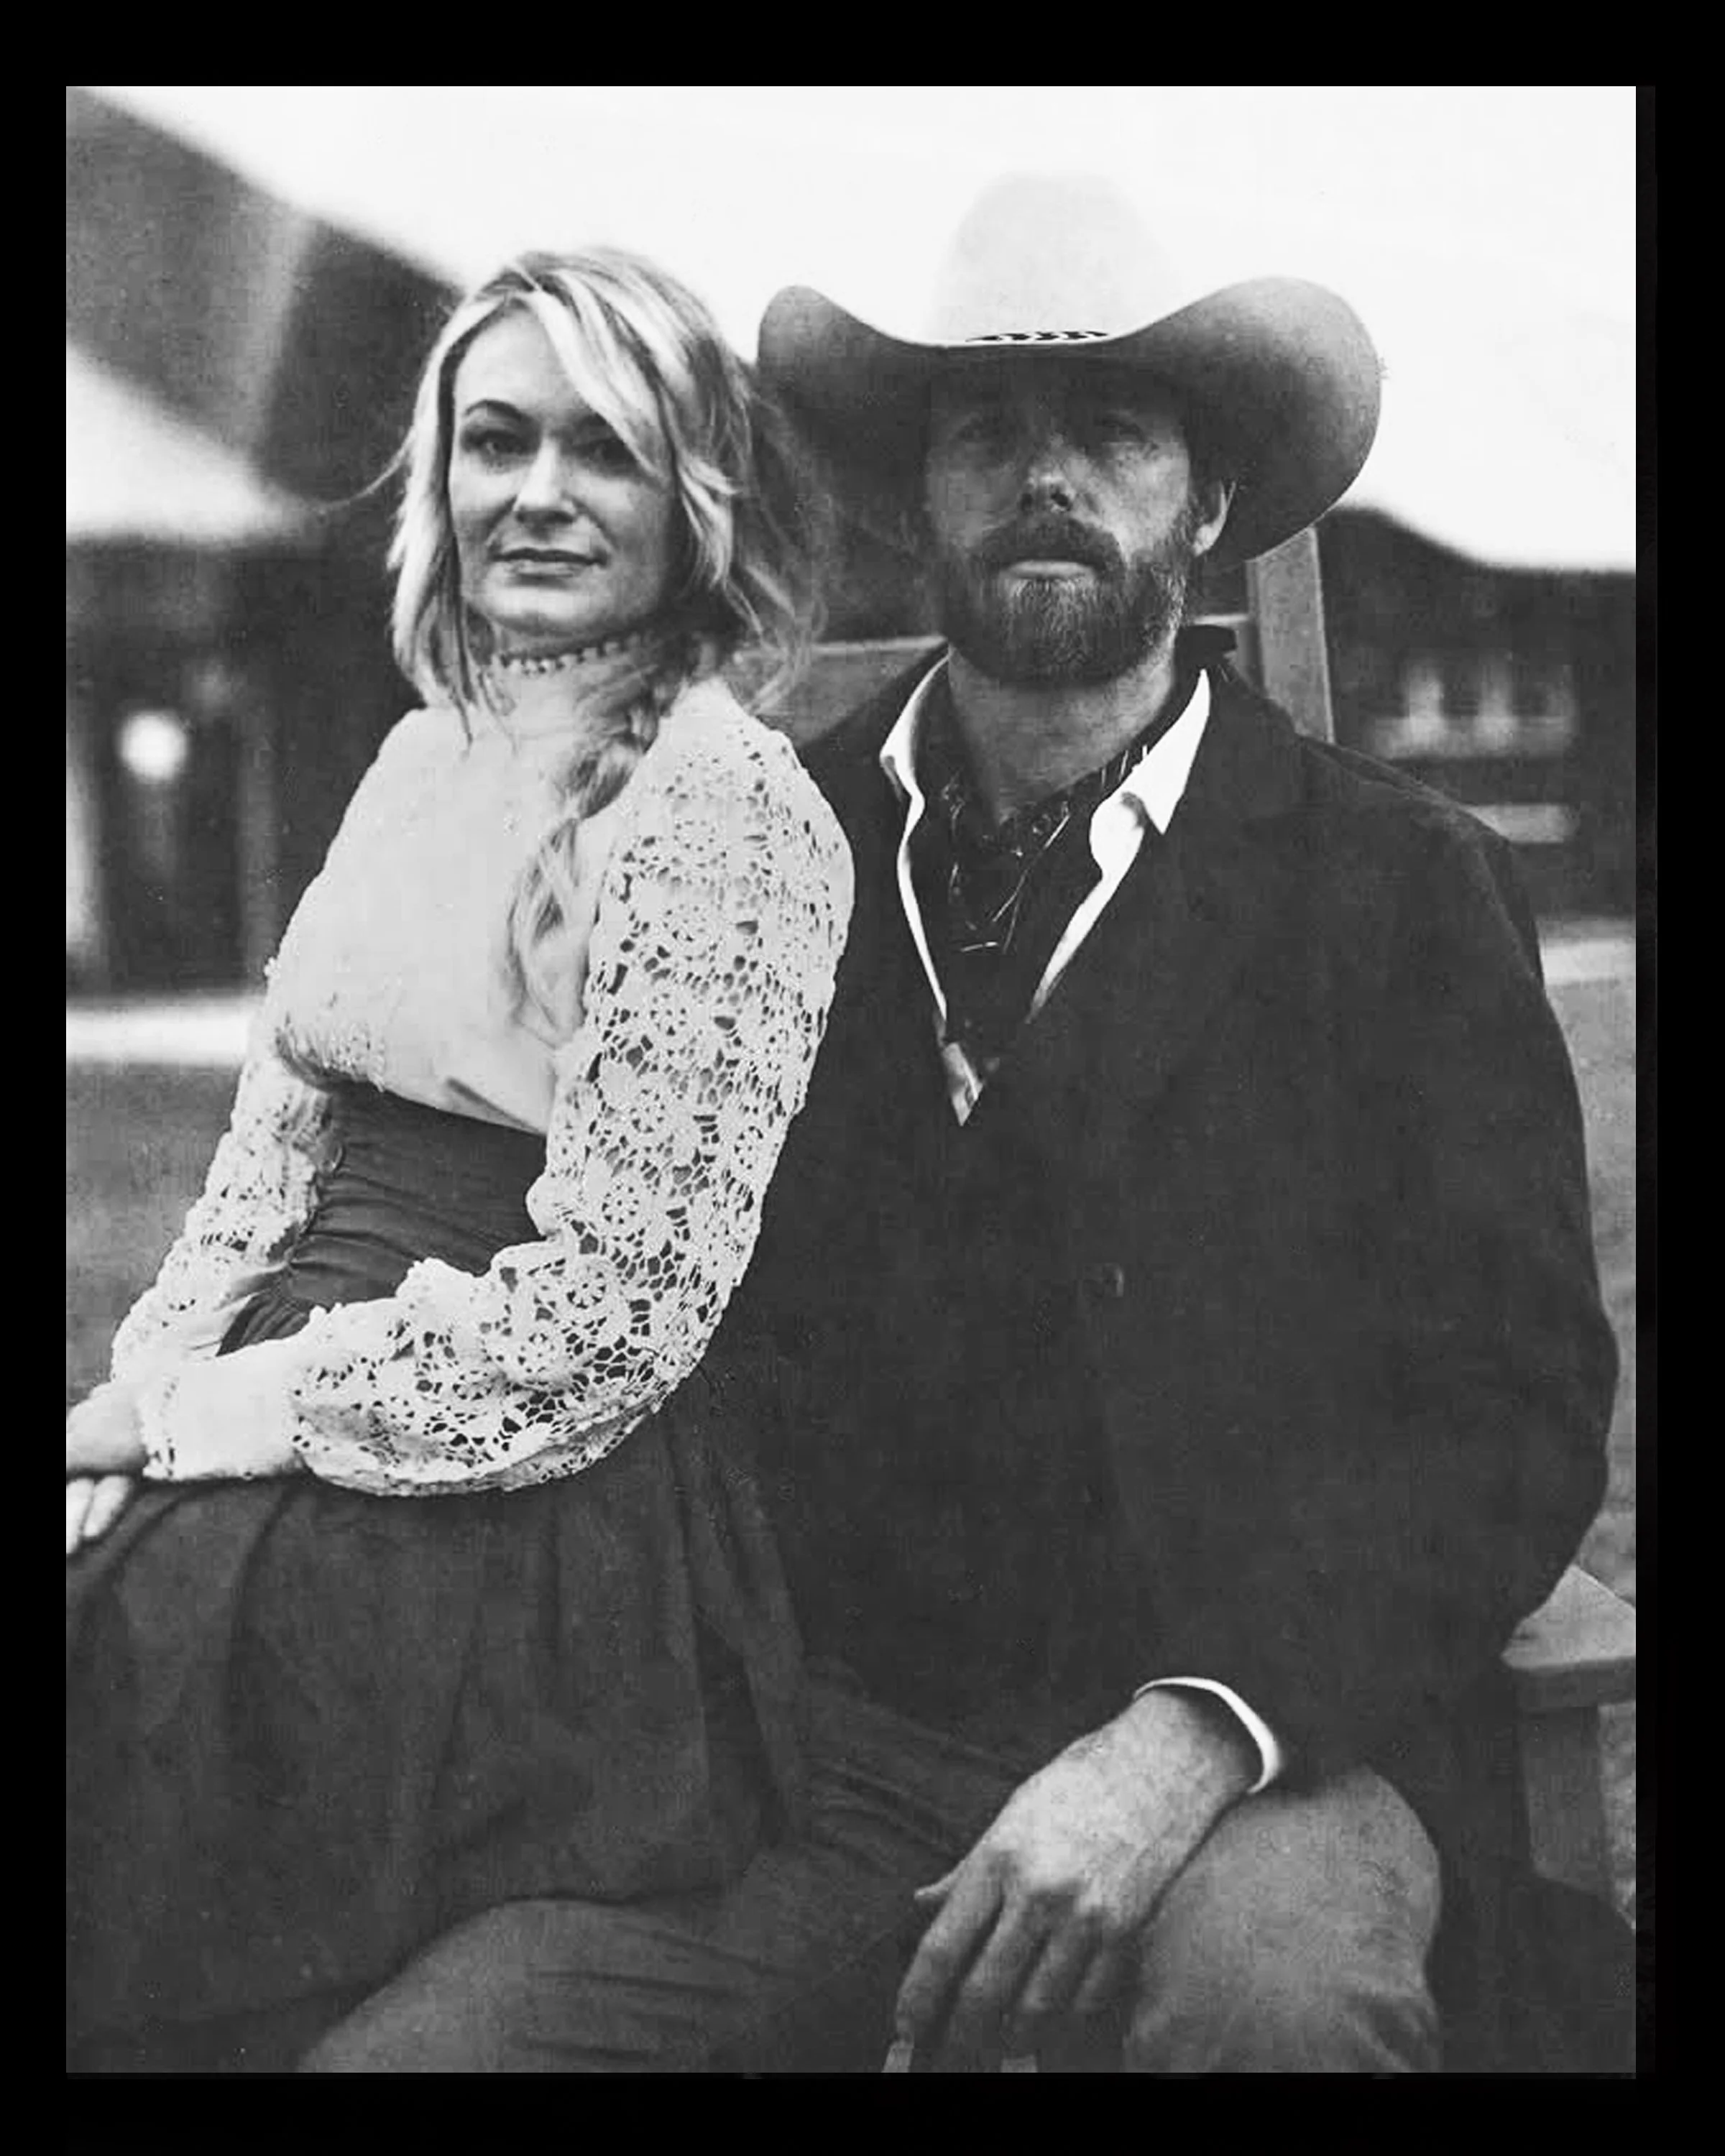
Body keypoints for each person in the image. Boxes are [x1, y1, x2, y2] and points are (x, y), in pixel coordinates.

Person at [291, 175, 1621, 2076]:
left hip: (1258, 1759)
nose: (1048, 475)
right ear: (917, 507)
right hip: (829, 1765)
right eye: (989, 435)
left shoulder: (1401, 893)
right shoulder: (749, 854)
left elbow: (1512, 1415)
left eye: (1114, 430)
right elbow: (571, 1277)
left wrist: (1193, 1735)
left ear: (1210, 504)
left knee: (1272, 2012)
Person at [65, 247, 852, 2074]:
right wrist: (146, 1391)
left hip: (534, 1512)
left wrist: (201, 1427)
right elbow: (268, 1168)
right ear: (440, 480)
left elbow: (612, 1320)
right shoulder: (423, 752)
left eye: (607, 449)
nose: (541, 492)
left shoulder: (726, 810)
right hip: (293, 1403)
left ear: (695, 495)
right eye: (498, 441)